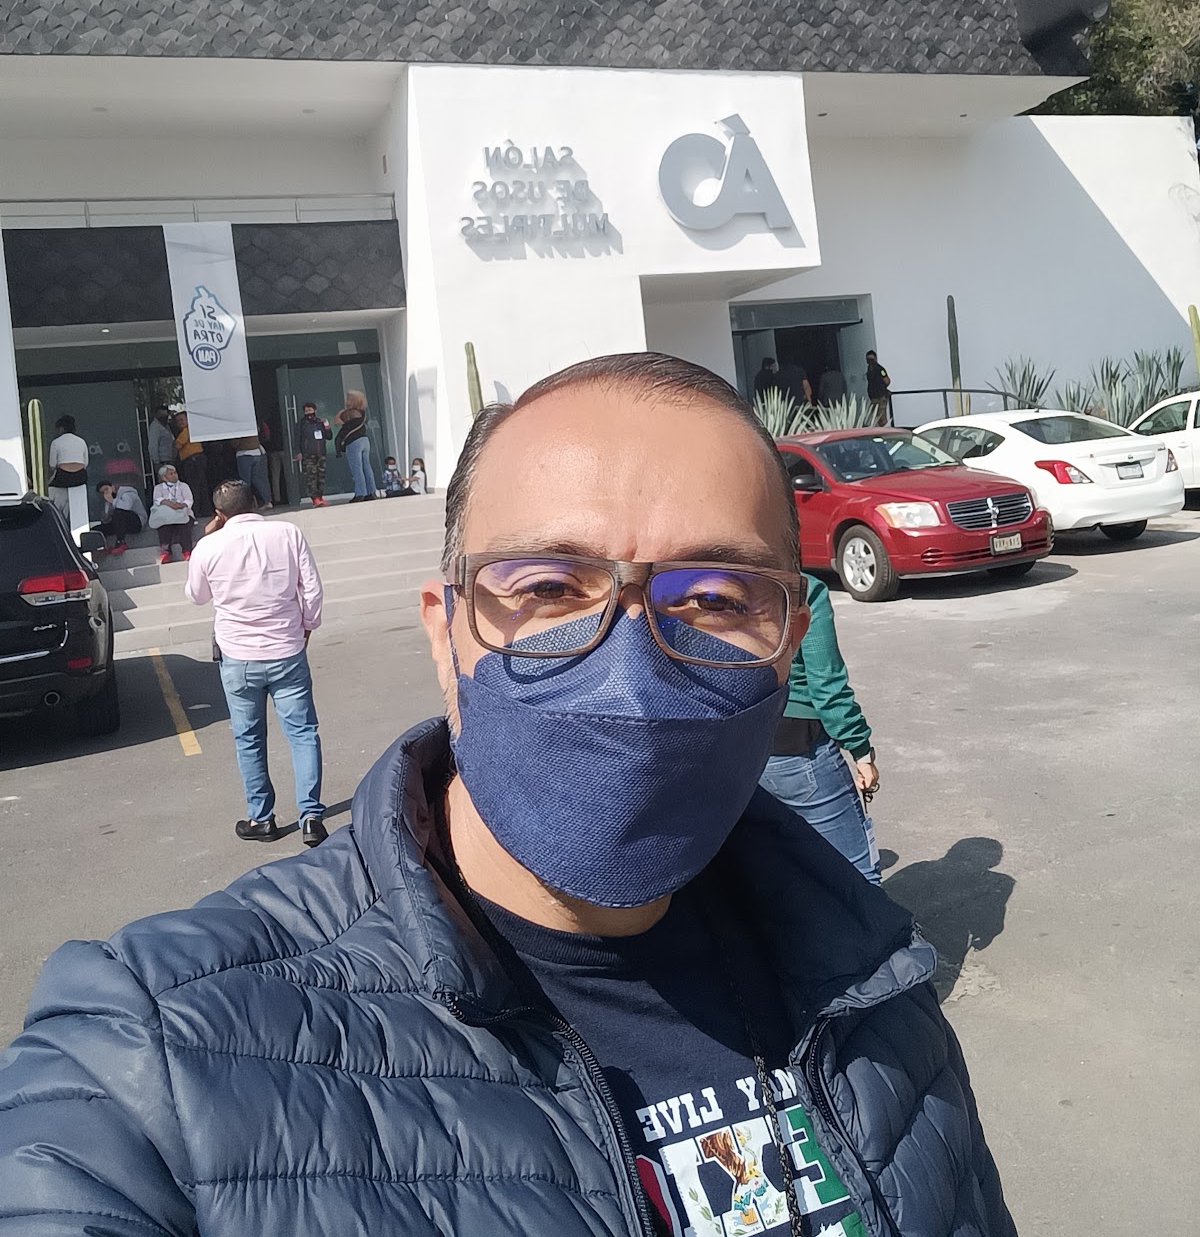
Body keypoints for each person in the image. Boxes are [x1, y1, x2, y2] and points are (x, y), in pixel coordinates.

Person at [0, 352, 1014, 1237]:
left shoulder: (872, 982)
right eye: (547, 587)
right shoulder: (153, 1057)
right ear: (444, 635)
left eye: (713, 596)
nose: (630, 675)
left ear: (789, 643)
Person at [185, 479, 326, 848]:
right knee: (302, 733)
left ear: (219, 514)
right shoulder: (288, 533)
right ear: (256, 503)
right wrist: (306, 627)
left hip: (238, 656)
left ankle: (261, 818)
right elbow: (311, 589)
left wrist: (206, 539)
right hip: (287, 649)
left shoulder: (209, 546)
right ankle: (311, 817)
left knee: (248, 738)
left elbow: (196, 595)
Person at [759, 576, 881, 883]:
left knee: (779, 871)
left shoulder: (710, 583)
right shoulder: (803, 588)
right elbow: (826, 685)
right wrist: (861, 751)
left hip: (734, 749)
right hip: (798, 748)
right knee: (857, 873)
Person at [46, 413, 89, 525]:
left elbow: (52, 464)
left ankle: (58, 518)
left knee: (50, 489)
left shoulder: (56, 442)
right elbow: (85, 462)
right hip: (80, 477)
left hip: (63, 477)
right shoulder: (81, 441)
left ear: (61, 429)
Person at [335, 388, 375, 501]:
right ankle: (371, 492)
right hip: (365, 440)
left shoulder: (349, 413)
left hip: (354, 442)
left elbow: (337, 421)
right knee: (367, 467)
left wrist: (341, 411)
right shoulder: (362, 412)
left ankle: (360, 493)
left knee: (357, 469)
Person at [148, 463, 194, 563]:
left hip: (183, 513)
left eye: (175, 473)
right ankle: (166, 553)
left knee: (185, 526)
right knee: (163, 526)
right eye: (171, 474)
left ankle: (187, 551)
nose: (175, 475)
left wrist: (180, 506)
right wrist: (170, 504)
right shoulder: (158, 488)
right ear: (164, 477)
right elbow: (157, 500)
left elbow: (189, 500)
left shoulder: (183, 486)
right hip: (166, 516)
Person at [171, 410, 209, 518]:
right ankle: (205, 510)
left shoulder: (186, 431)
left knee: (194, 487)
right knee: (202, 485)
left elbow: (178, 445)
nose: (180, 423)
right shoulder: (193, 430)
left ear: (188, 420)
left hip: (193, 460)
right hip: (198, 459)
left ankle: (196, 511)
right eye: (177, 421)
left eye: (182, 420)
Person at [295, 399, 332, 505]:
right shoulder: (301, 424)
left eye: (310, 410)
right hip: (308, 454)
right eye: (306, 411)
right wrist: (298, 451)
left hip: (321, 453)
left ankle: (320, 496)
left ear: (314, 410)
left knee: (321, 476)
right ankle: (314, 498)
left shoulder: (319, 422)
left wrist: (326, 425)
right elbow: (297, 438)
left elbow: (329, 436)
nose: (308, 413)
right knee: (311, 476)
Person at [96, 480, 146, 554]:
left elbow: (126, 507)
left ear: (112, 487)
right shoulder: (107, 501)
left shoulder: (127, 493)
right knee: (98, 529)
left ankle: (121, 542)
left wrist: (112, 500)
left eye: (106, 489)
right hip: (122, 525)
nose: (105, 493)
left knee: (118, 512)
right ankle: (102, 546)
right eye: (102, 492)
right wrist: (105, 518)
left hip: (137, 522)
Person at [234, 431, 271, 510]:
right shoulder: (252, 426)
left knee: (245, 482)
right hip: (257, 452)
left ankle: (247, 505)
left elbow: (235, 443)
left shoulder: (238, 428)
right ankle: (267, 501)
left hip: (243, 454)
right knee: (260, 480)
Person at [146, 404, 177, 477]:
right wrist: (156, 462)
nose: (164, 417)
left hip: (170, 460)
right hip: (162, 462)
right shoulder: (155, 427)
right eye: (161, 415)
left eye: (165, 415)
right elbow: (153, 445)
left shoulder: (166, 426)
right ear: (156, 415)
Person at [866, 349, 891, 423]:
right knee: (875, 418)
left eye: (871, 359)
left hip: (880, 397)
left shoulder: (880, 369)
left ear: (875, 359)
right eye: (868, 359)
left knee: (882, 418)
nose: (870, 361)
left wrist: (881, 388)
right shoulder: (869, 370)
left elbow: (887, 381)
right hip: (874, 397)